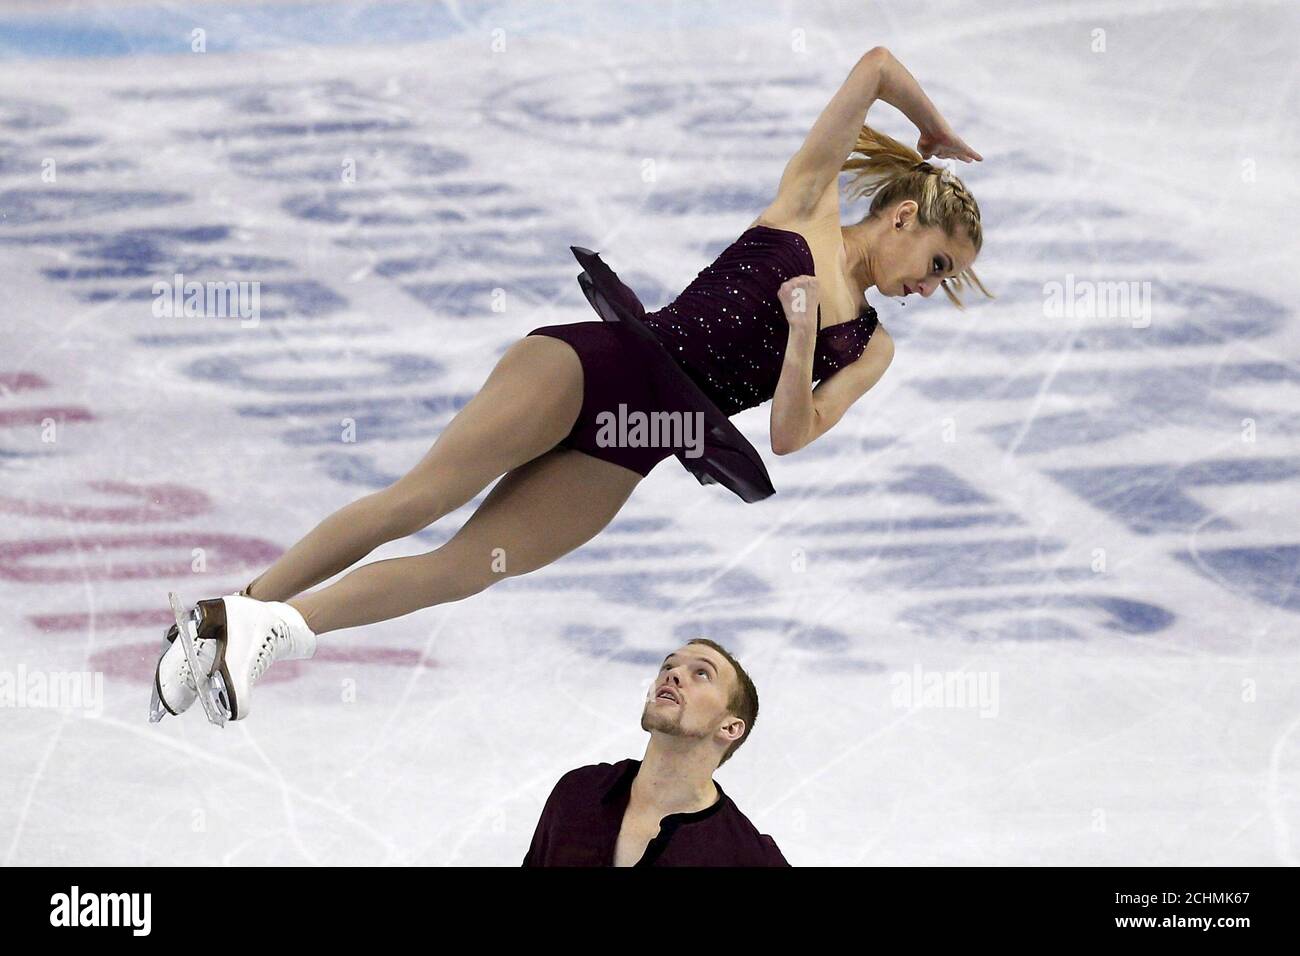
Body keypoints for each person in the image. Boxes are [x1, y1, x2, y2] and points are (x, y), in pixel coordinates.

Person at [149, 45, 990, 723]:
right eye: (940, 264)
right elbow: (876, 66)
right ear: (906, 216)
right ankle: (237, 613)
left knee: (468, 567)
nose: (931, 285)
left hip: (641, 444)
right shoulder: (805, 203)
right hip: (590, 368)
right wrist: (935, 128)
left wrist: (804, 334)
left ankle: (247, 627)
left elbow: (790, 433)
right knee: (418, 502)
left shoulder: (869, 346)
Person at [523, 639, 788, 866]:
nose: (673, 675)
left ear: (729, 727)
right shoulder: (578, 793)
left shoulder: (746, 856)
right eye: (669, 666)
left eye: (702, 673)